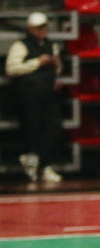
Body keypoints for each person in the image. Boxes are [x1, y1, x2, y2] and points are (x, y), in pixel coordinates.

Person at [4, 12, 64, 183]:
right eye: (38, 28)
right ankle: (36, 162)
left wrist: (56, 69)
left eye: (43, 27)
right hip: (29, 93)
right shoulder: (21, 45)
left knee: (53, 127)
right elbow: (12, 69)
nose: (42, 30)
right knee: (33, 127)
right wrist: (37, 62)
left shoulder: (51, 45)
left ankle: (40, 162)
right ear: (30, 29)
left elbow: (57, 68)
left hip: (48, 93)